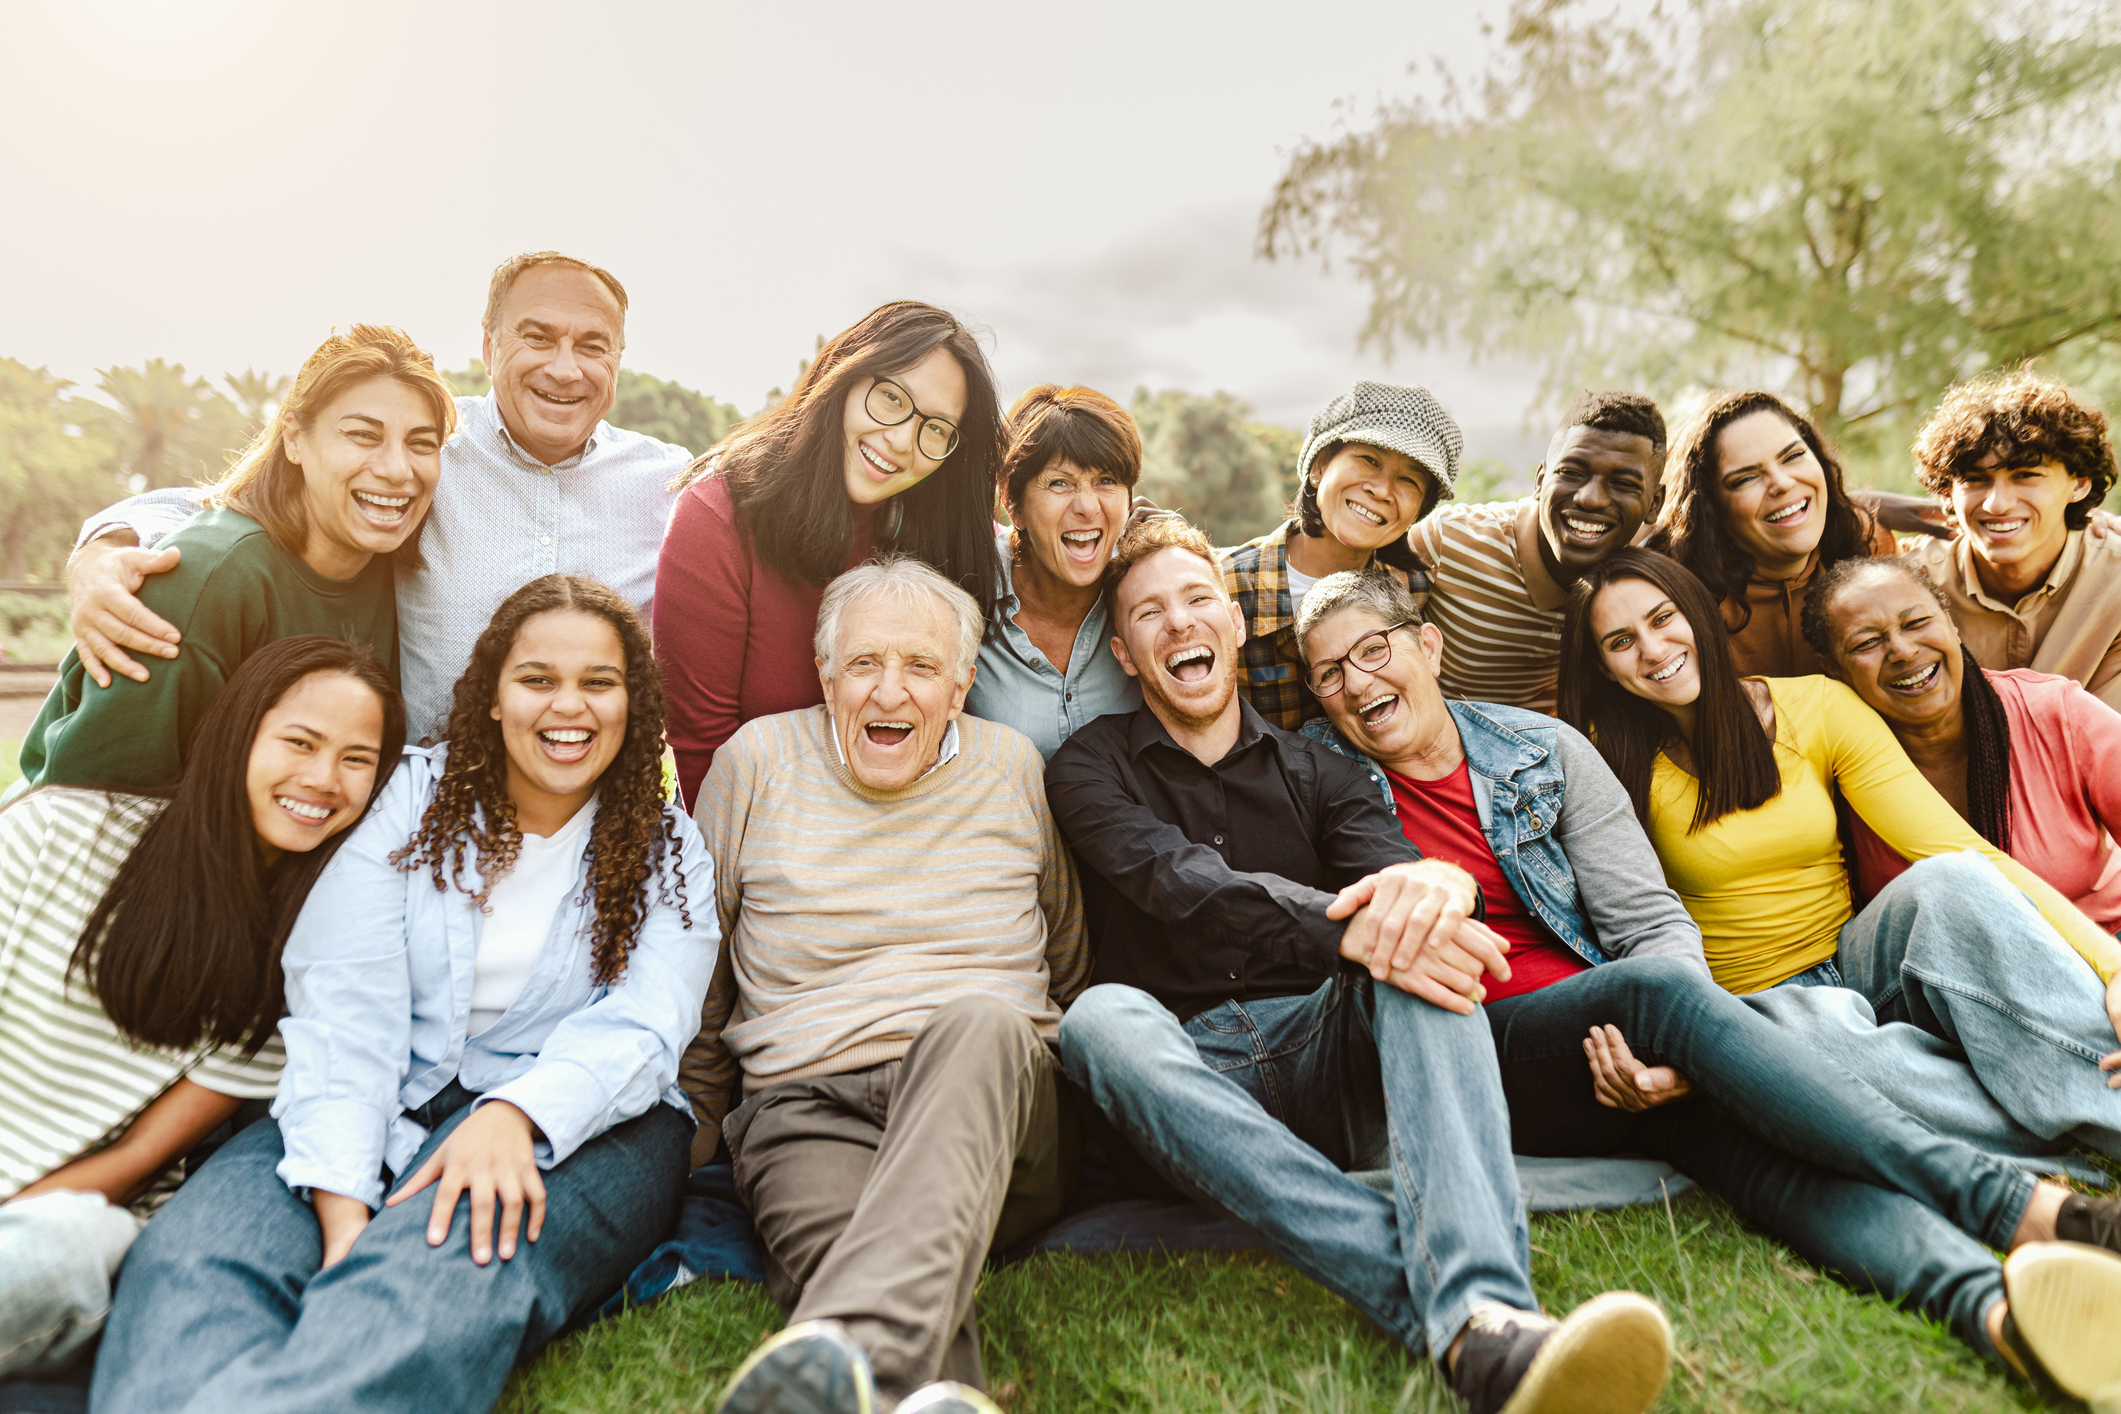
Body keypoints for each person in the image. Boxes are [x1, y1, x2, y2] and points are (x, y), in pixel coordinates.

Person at [1283, 565, 2121, 1396]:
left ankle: (1996, 1318)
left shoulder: (1542, 750)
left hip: (1613, 1043)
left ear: (1427, 647)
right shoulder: (1316, 783)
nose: (1357, 683)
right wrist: (1665, 1014)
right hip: (1476, 1045)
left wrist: (1670, 1060)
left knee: (1764, 1165)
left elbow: (1647, 922)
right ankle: (2018, 1209)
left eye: (1372, 650)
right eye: (1329, 673)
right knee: (1653, 995)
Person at [1046, 514, 1677, 1414]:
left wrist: (1429, 896)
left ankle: (1486, 1311)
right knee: (1098, 1018)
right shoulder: (1085, 766)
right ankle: (1460, 1319)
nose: (1179, 623)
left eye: (1196, 600)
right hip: (1184, 1073)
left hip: (1324, 1057)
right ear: (1126, 652)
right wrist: (1344, 928)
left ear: (1231, 622)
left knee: (1421, 955)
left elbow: (1400, 879)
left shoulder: (1324, 773)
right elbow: (1177, 880)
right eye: (1150, 614)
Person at [90, 576, 717, 1414]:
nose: (568, 706)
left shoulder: (666, 846)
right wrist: (343, 1209)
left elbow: (647, 1027)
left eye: (597, 682)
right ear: (492, 695)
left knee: (432, 1269)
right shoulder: (411, 803)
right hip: (380, 1092)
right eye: (537, 679)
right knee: (196, 1261)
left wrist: (514, 1115)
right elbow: (347, 1005)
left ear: (632, 703)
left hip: (591, 1124)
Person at [680, 557, 1086, 1414]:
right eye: (864, 664)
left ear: (963, 681)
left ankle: (848, 1359)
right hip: (805, 1107)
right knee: (863, 1261)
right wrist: (700, 1122)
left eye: (920, 666)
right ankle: (915, 1388)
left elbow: (1066, 951)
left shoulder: (1011, 767)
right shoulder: (755, 764)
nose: (889, 692)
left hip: (989, 1096)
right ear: (826, 675)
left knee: (977, 1022)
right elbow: (698, 964)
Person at [1557, 548, 2121, 1158]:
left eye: (1663, 617)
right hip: (1752, 1007)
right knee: (1830, 1044)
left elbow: (1958, 847)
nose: (1653, 648)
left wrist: (2114, 969)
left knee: (1951, 878)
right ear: (1605, 670)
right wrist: (1692, 1047)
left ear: (1697, 613)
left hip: (1859, 963)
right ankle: (2038, 1145)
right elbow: (1617, 926)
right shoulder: (1599, 761)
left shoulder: (1818, 707)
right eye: (1620, 641)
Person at [64, 251, 692, 743]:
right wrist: (102, 549)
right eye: (538, 337)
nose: (564, 368)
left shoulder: (669, 487)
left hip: (585, 820)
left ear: (617, 360)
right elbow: (235, 503)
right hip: (413, 814)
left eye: (592, 345)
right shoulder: (423, 448)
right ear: (490, 345)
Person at [0, 636, 402, 1381]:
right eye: (300, 742)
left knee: (59, 1249)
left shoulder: (297, 969)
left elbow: (133, 1161)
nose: (322, 779)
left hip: (56, 1229)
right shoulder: (57, 832)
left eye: (356, 759)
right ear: (237, 735)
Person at [15, 325, 448, 795]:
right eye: (363, 435)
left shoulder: (405, 563)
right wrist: (98, 548)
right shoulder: (209, 578)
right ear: (294, 439)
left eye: (422, 444)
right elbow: (95, 800)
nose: (396, 469)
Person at [656, 302, 1006, 806]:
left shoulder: (940, 527)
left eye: (935, 429)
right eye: (891, 398)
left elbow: (1029, 544)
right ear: (843, 378)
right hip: (773, 842)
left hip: (924, 832)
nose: (903, 441)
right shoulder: (719, 517)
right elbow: (703, 752)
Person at [1805, 555, 2121, 939]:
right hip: (1946, 984)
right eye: (1867, 642)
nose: (1903, 651)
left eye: (1917, 622)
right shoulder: (1827, 771)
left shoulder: (2056, 712)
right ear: (1834, 669)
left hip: (2104, 954)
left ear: (1951, 624)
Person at [1221, 380, 1460, 731]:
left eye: (1409, 480)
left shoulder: (1413, 588)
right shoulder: (1225, 586)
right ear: (1318, 467)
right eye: (1368, 460)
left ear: (1418, 512)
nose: (1381, 490)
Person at [1409, 391, 1665, 713]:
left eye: (1623, 483)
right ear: (1541, 480)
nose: (1591, 499)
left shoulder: (1646, 588)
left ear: (1654, 504)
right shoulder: (1449, 541)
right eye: (1571, 473)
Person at [1900, 370, 2121, 710]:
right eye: (1976, 480)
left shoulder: (2114, 582)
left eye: (2026, 476)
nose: (1997, 504)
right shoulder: (1908, 584)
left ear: (2079, 484)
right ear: (1948, 492)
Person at [1644, 390, 1898, 679]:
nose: (1782, 483)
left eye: (1793, 456)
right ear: (1710, 505)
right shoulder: (1671, 598)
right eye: (1746, 478)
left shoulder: (1870, 544)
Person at [962, 384, 1144, 758]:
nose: (1088, 507)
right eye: (1059, 482)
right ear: (1014, 506)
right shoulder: (962, 589)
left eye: (1106, 480)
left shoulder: (1147, 591)